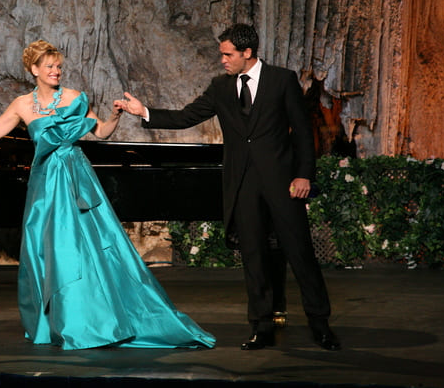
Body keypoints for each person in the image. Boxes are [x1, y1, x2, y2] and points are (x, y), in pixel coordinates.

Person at [0, 40, 215, 350]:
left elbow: (101, 132)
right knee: (45, 249)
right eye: (49, 66)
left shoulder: (76, 98)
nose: (56, 71)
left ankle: (93, 321)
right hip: (44, 183)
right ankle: (55, 323)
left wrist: (115, 116)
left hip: (75, 178)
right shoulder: (22, 104)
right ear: (34, 69)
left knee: (83, 248)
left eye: (59, 66)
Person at [118, 24, 340, 351]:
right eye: (222, 54)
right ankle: (261, 326)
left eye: (227, 54)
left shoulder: (282, 80)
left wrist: (304, 174)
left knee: (300, 253)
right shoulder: (220, 88)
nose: (222, 60)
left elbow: (304, 132)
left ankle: (320, 324)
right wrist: (145, 112)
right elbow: (186, 116)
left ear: (247, 53)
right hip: (243, 186)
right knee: (254, 256)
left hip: (283, 184)